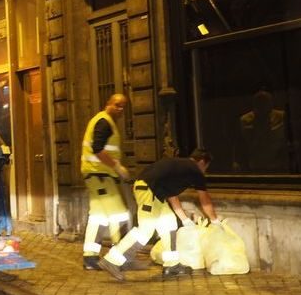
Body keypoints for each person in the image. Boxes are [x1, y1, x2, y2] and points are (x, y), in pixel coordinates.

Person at [98, 148, 220, 281]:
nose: (204, 171)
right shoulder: (194, 170)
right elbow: (205, 200)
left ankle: (172, 265)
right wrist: (215, 221)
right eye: (206, 167)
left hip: (154, 193)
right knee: (145, 230)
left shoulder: (180, 167)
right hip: (148, 191)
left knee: (169, 225)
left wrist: (184, 219)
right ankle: (112, 260)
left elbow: (172, 195)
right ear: (202, 162)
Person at [80, 93, 131, 271]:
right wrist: (117, 167)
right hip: (100, 176)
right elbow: (98, 149)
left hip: (96, 176)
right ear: (107, 103)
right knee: (119, 215)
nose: (120, 109)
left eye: (123, 106)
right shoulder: (104, 122)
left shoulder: (104, 121)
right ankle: (119, 257)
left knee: (98, 217)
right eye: (117, 105)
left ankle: (90, 257)